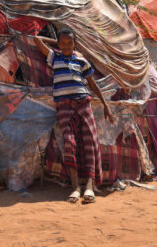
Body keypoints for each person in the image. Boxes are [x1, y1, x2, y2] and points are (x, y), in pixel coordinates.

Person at [34, 28, 114, 204]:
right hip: (64, 107)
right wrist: (57, 43)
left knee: (90, 143)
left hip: (83, 104)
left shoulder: (81, 60)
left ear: (75, 44)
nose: (66, 46)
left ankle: (90, 187)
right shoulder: (54, 57)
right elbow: (36, 39)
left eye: (70, 43)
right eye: (63, 43)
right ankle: (76, 187)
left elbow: (92, 84)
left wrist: (106, 105)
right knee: (70, 144)